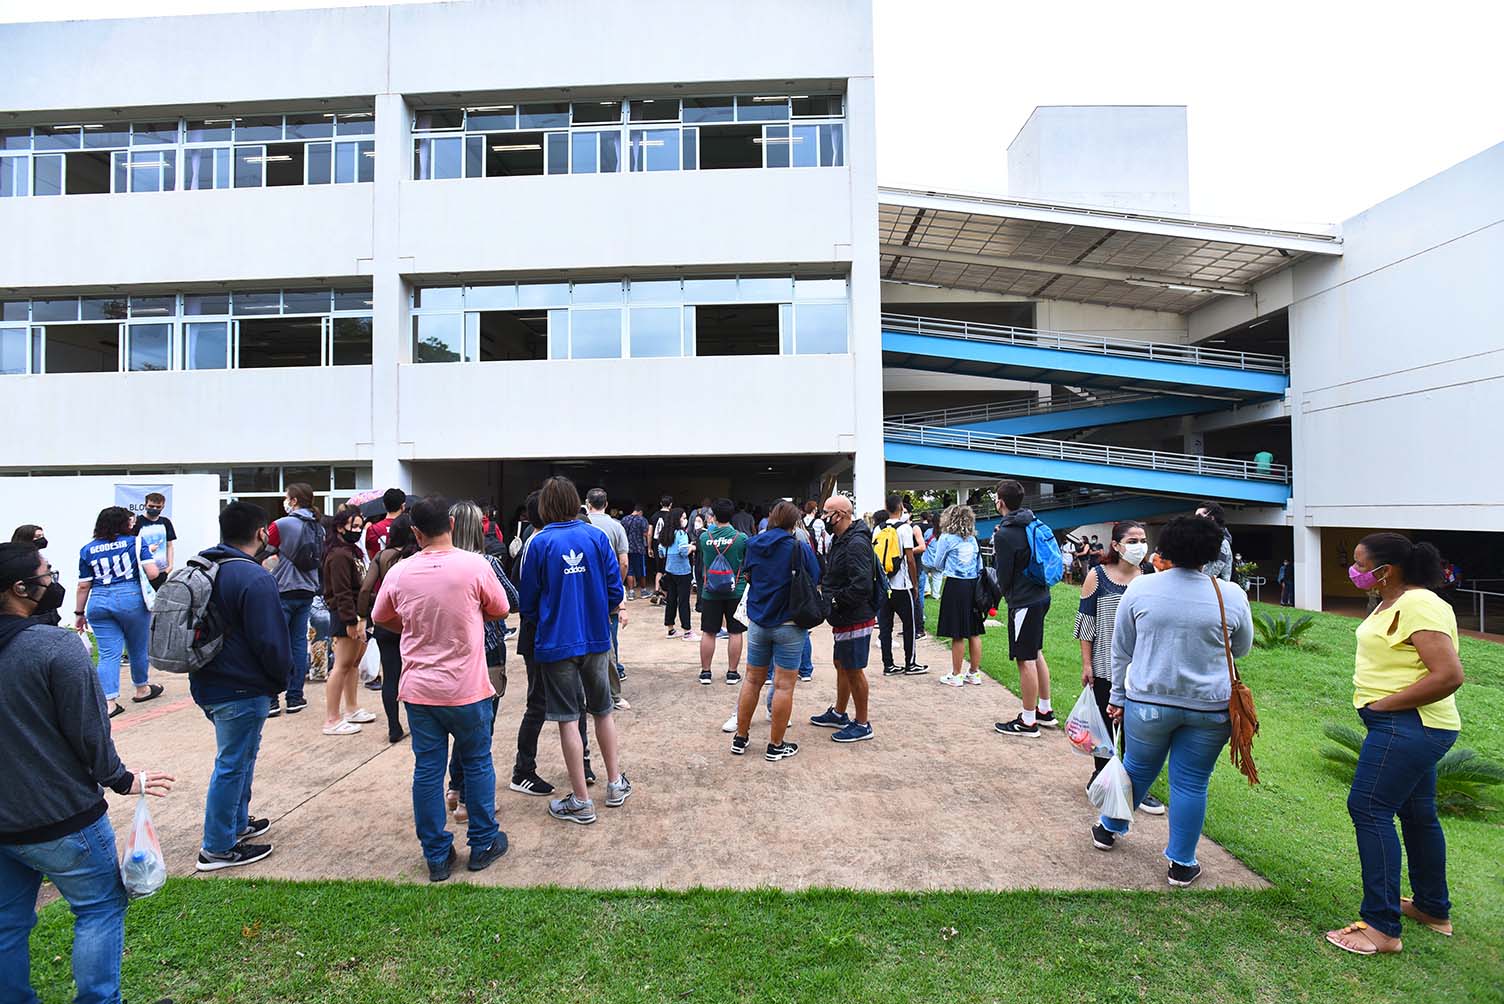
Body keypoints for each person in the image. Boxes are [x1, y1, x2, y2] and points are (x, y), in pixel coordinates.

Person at [0, 542, 175, 1004]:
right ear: (21, 589)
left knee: (6, 925)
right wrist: (123, 779)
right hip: (63, 819)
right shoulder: (56, 647)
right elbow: (90, 733)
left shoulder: (49, 646)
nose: (52, 580)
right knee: (99, 907)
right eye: (46, 573)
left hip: (6, 824)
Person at [1090, 515, 1253, 887]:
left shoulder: (1141, 589)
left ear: (1167, 548)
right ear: (1213, 552)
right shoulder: (1230, 595)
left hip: (1148, 702)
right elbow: (1240, 649)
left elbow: (1121, 650)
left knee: (1137, 768)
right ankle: (1181, 863)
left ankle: (1108, 829)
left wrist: (1116, 697)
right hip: (1210, 707)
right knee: (1192, 783)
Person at [1326, 533, 1465, 956]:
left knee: (1368, 808)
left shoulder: (1420, 604)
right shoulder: (1394, 602)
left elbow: (1448, 674)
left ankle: (1381, 928)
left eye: (1360, 563)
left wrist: (1385, 707)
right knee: (1418, 813)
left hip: (1409, 726)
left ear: (1385, 571)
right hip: (1409, 725)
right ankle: (1431, 908)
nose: (1354, 570)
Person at [372, 496, 510, 882]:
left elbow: (381, 616)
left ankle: (436, 853)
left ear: (415, 532)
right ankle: (483, 842)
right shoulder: (474, 565)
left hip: (419, 690)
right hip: (466, 686)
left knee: (428, 771)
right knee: (478, 761)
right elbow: (500, 608)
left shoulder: (400, 572)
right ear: (451, 522)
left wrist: (414, 628)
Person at [516, 477, 631, 825]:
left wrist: (548, 620)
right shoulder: (596, 537)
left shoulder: (539, 543)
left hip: (555, 644)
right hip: (596, 638)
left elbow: (529, 602)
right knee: (603, 710)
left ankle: (581, 801)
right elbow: (615, 590)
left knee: (568, 719)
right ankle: (614, 784)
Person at [191, 502, 291, 871]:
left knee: (240, 756)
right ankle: (216, 847)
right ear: (261, 532)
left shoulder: (206, 567)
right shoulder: (253, 577)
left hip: (208, 682)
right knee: (233, 763)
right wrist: (281, 680)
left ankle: (235, 823)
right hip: (241, 688)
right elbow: (270, 641)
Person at [1073, 521, 1164, 815]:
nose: (1139, 545)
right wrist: (1087, 664)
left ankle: (1137, 786)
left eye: (1142, 539)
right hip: (1105, 665)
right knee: (1104, 728)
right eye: (1132, 540)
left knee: (1138, 730)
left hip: (1142, 668)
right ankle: (1103, 777)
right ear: (1116, 545)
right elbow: (1086, 623)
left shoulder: (1149, 576)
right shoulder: (1096, 577)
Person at [509, 489, 593, 797]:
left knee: (576, 701)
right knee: (539, 704)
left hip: (561, 637)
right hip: (539, 640)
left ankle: (582, 762)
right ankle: (523, 770)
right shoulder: (536, 545)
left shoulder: (551, 541)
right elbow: (526, 599)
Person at [445, 501, 521, 824]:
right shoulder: (486, 562)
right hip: (487, 652)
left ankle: (454, 787)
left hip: (450, 655)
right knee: (480, 727)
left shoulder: (437, 563)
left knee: (460, 726)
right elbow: (513, 602)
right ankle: (467, 799)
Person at [733, 501, 822, 760]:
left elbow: (747, 575)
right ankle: (776, 745)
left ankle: (740, 738)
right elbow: (815, 576)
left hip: (759, 622)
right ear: (794, 523)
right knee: (783, 686)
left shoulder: (752, 544)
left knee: (751, 680)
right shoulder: (799, 547)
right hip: (790, 625)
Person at [74, 506, 161, 717]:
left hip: (98, 601)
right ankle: (142, 689)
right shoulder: (136, 542)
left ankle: (109, 702)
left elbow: (83, 585)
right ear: (123, 524)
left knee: (108, 653)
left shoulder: (87, 549)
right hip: (131, 599)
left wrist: (79, 613)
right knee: (138, 646)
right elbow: (152, 573)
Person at [805, 495, 876, 743]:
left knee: (854, 669)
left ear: (843, 515)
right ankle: (839, 712)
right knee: (841, 663)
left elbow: (862, 585)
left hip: (855, 615)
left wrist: (836, 600)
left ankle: (863, 723)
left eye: (827, 513)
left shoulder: (856, 543)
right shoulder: (840, 538)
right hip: (844, 616)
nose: (823, 518)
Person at [991, 481, 1056, 737]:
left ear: (1001, 502)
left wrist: (1005, 595)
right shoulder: (1032, 522)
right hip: (1041, 594)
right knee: (1035, 651)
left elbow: (1003, 574)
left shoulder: (1005, 533)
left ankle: (1028, 721)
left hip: (1023, 601)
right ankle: (1044, 709)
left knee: (1024, 658)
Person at [265, 482, 323, 717]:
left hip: (283, 589)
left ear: (295, 500)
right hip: (307, 590)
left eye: (287, 497)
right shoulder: (320, 526)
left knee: (275, 643)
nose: (285, 501)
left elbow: (266, 549)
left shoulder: (281, 524)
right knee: (298, 643)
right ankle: (295, 696)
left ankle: (271, 698)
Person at [360, 514, 417, 744]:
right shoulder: (417, 557)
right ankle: (417, 723)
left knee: (391, 676)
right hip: (410, 624)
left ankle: (394, 726)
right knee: (414, 675)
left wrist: (363, 616)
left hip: (385, 624)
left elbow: (364, 589)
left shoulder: (383, 556)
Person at [320, 505, 372, 736]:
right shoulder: (339, 555)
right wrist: (351, 620)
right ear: (340, 527)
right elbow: (342, 592)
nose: (358, 530)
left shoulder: (350, 552)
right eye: (354, 526)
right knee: (341, 666)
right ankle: (332, 718)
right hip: (346, 616)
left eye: (360, 526)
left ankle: (351, 708)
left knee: (353, 664)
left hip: (357, 615)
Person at [924, 504, 985, 687]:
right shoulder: (973, 540)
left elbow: (938, 563)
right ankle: (974, 673)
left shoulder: (947, 538)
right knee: (974, 630)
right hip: (973, 585)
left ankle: (956, 674)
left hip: (955, 585)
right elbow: (979, 565)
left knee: (957, 632)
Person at [585, 488, 630, 707]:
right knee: (610, 639)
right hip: (608, 591)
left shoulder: (581, 526)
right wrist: (618, 586)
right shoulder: (616, 527)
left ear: (588, 503)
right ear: (606, 503)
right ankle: (613, 682)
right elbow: (624, 562)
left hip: (585, 591)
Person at [698, 498, 749, 686]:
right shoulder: (741, 538)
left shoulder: (705, 538)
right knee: (735, 632)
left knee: (709, 631)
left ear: (714, 516)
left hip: (710, 591)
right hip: (735, 590)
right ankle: (732, 673)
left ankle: (705, 673)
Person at [874, 493, 924, 677]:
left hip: (884, 586)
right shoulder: (905, 529)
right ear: (902, 507)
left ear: (886, 508)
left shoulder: (877, 529)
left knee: (885, 627)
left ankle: (888, 665)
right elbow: (910, 559)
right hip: (902, 585)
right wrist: (915, 584)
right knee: (909, 625)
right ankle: (910, 663)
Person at [10, 525, 60, 626]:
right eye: (37, 537)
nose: (42, 539)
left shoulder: (41, 559)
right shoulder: (16, 562)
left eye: (42, 536)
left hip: (47, 609)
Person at [658, 507, 696, 639]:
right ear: (677, 519)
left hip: (670, 571)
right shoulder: (681, 534)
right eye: (684, 518)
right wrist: (692, 547)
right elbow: (683, 551)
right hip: (683, 572)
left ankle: (671, 629)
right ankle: (687, 631)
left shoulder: (665, 533)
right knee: (684, 601)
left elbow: (661, 552)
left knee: (671, 600)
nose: (685, 520)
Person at [131, 491, 176, 588]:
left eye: (158, 507)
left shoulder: (166, 522)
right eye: (151, 506)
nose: (154, 509)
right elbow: (131, 546)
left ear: (163, 507)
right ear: (145, 505)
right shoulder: (137, 522)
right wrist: (146, 549)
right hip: (142, 571)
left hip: (162, 571)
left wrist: (170, 567)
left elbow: (169, 545)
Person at [364, 487, 408, 560]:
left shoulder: (372, 529)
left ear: (384, 505)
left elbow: (371, 556)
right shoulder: (408, 527)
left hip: (379, 569)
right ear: (403, 506)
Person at [1196, 502, 1234, 582]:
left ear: (1212, 517)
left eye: (1199, 516)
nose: (1196, 520)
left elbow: (1215, 569)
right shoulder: (1204, 539)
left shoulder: (1222, 542)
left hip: (1214, 589)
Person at [621, 503, 650, 601]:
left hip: (627, 548)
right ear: (640, 512)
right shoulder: (642, 520)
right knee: (641, 570)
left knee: (629, 570)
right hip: (639, 548)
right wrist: (649, 547)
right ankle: (643, 591)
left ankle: (631, 592)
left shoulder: (624, 519)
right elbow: (646, 534)